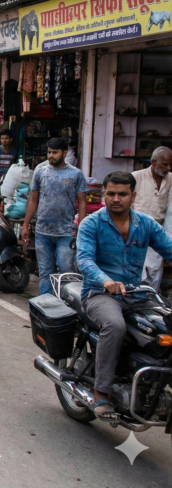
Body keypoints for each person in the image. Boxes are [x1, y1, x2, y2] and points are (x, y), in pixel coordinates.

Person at [77, 171, 172, 422]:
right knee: (114, 325)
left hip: (136, 294)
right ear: (104, 195)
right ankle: (101, 392)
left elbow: (169, 249)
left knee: (165, 326)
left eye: (122, 194)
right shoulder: (91, 224)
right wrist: (105, 280)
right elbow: (84, 260)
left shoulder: (146, 224)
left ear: (133, 195)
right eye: (111, 194)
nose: (116, 199)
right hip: (98, 293)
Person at [21, 138, 88, 296]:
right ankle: (46, 302)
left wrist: (82, 228)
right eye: (49, 152)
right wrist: (25, 225)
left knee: (65, 269)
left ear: (64, 153)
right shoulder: (40, 172)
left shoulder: (76, 174)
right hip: (42, 231)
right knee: (45, 270)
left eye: (55, 152)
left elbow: (82, 202)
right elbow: (33, 200)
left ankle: (65, 301)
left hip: (66, 232)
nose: (51, 155)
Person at [133, 147, 172, 290]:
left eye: (170, 164)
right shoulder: (136, 177)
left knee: (154, 274)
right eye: (165, 164)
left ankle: (150, 301)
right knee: (136, 274)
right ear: (153, 162)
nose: (168, 168)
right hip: (135, 231)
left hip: (158, 231)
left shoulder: (170, 179)